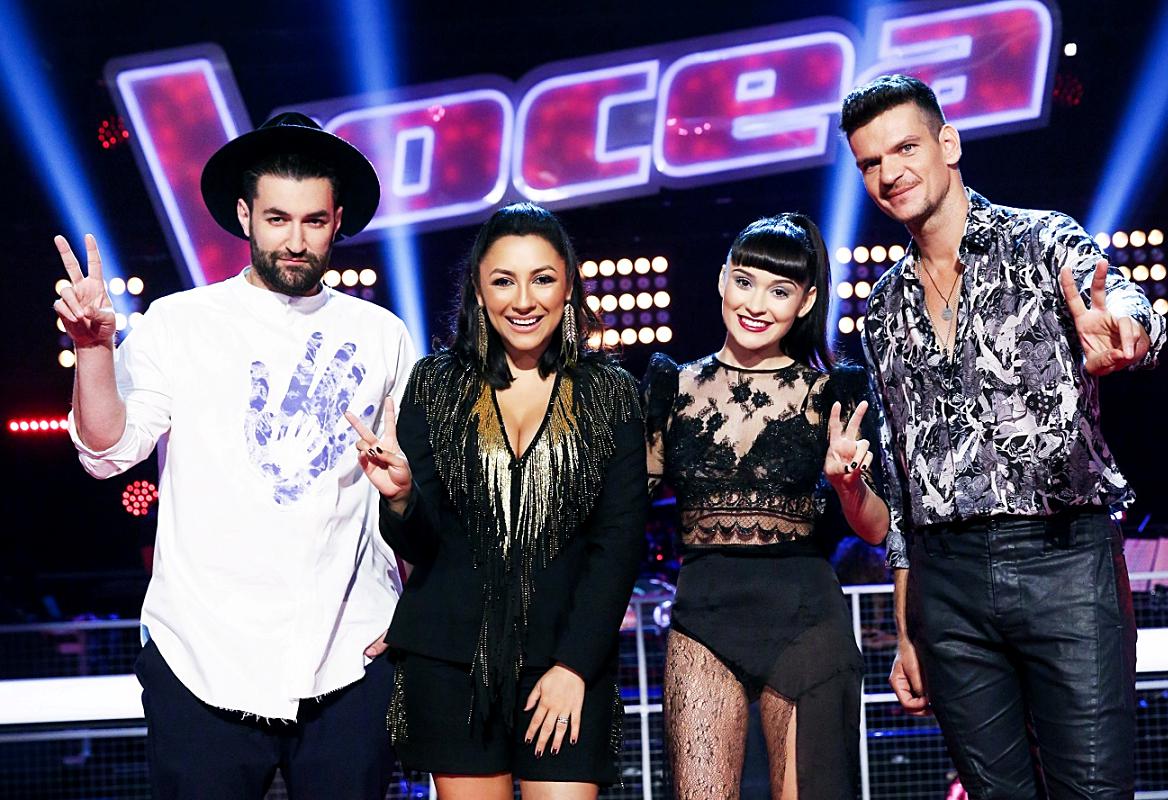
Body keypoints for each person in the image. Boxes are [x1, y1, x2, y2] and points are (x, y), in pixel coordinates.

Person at [55, 112, 416, 799]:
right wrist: (94, 348)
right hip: (202, 660)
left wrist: (417, 608)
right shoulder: (180, 322)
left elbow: (412, 488)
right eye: (277, 219)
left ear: (338, 221)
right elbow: (107, 452)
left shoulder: (382, 334)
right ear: (245, 215)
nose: (295, 240)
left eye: (313, 221)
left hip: (351, 656)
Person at [841, 74, 1167, 799]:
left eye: (905, 148)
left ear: (948, 144)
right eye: (870, 163)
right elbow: (902, 482)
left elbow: (1122, 299)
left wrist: (1128, 331)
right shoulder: (883, 308)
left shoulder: (1039, 239)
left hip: (1064, 559)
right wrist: (906, 625)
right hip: (946, 584)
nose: (890, 173)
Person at [346, 202, 646, 800]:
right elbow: (421, 544)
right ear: (479, 293)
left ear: (568, 287)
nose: (524, 300)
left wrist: (574, 666)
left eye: (543, 278)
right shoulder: (435, 384)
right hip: (451, 664)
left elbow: (618, 545)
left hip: (565, 662)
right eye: (504, 281)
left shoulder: (609, 392)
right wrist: (401, 498)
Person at [642, 212, 890, 800]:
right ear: (722, 280)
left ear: (805, 303)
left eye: (779, 291)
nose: (756, 304)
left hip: (807, 620)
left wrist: (848, 486)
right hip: (702, 621)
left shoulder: (833, 393)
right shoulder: (670, 388)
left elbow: (877, 529)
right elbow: (625, 510)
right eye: (745, 281)